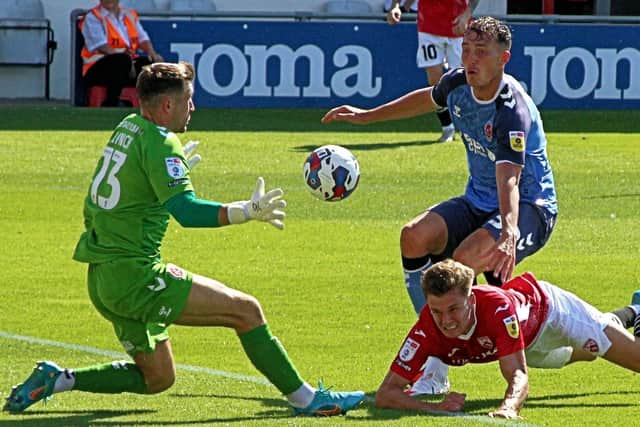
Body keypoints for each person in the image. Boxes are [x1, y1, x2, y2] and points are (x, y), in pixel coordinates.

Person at [3, 61, 365, 417]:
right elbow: (187, 212)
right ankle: (306, 399)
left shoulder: (128, 126)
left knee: (159, 378)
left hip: (102, 276)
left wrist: (165, 175)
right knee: (246, 311)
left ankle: (58, 380)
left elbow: (128, 185)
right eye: (188, 99)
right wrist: (245, 211)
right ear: (166, 105)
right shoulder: (162, 144)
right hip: (136, 277)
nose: (193, 107)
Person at [323, 16, 557, 396]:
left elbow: (510, 180)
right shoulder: (457, 83)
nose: (470, 58)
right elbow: (428, 97)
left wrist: (510, 230)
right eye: (466, 49)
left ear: (504, 58)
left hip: (530, 208)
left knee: (462, 264)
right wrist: (367, 116)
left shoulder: (512, 110)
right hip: (479, 201)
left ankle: (436, 365)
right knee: (414, 237)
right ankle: (440, 358)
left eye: (481, 52)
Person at [375, 259, 640, 419]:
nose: (446, 321)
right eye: (437, 311)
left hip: (553, 313)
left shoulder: (496, 308)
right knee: (590, 352)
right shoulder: (426, 328)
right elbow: (386, 394)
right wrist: (436, 409)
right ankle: (630, 312)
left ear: (471, 298)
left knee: (633, 357)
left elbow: (517, 374)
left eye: (453, 309)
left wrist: (509, 407)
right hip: (529, 345)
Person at [387, 0, 479, 142]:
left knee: (466, 81)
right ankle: (447, 127)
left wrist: (467, 14)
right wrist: (396, 6)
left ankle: (474, 128)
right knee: (435, 83)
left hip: (458, 26)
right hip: (429, 28)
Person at [80, 0, 164, 106]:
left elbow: (143, 39)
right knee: (121, 62)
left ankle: (151, 105)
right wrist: (128, 61)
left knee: (153, 65)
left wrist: (153, 54)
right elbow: (101, 45)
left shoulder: (129, 15)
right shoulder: (93, 17)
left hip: (126, 62)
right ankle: (112, 102)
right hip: (97, 68)